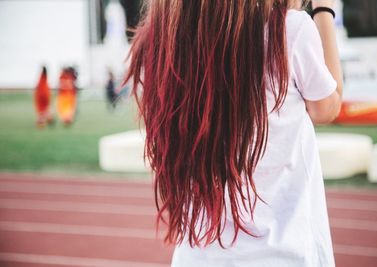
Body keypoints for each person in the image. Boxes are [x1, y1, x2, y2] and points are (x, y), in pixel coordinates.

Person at [125, 0, 343, 266]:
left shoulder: (165, 39)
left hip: (197, 256)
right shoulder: (288, 30)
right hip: (283, 255)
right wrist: (323, 12)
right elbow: (327, 107)